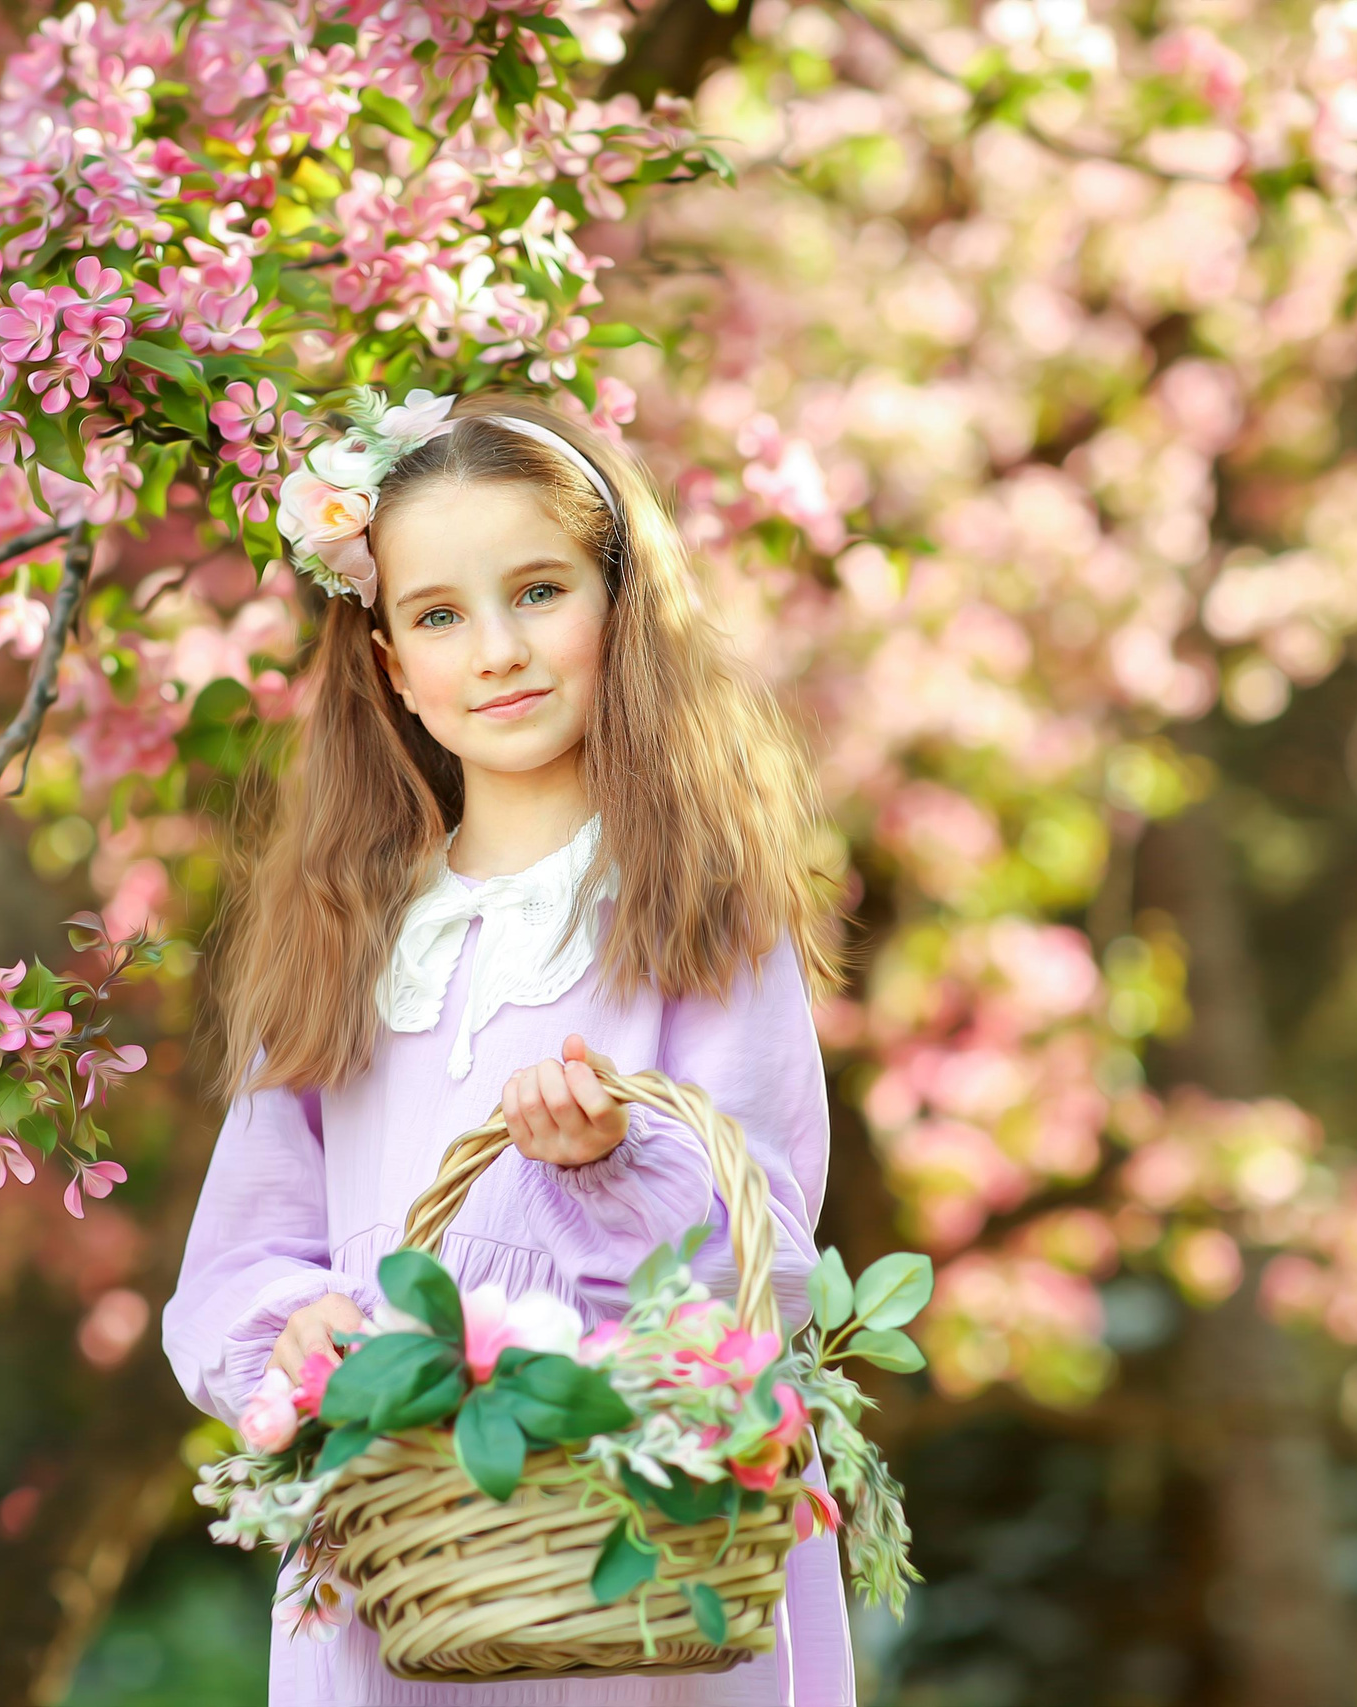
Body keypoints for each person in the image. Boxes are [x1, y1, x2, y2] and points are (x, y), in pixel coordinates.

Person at [162, 387, 853, 1705]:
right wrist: (294, 1334)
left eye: (539, 591)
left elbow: (764, 1245)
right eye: (438, 614)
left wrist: (609, 1165)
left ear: (618, 603)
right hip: (410, 1544)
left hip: (636, 1536)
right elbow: (244, 1250)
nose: (497, 651)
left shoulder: (699, 908)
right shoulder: (345, 933)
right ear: (388, 663)